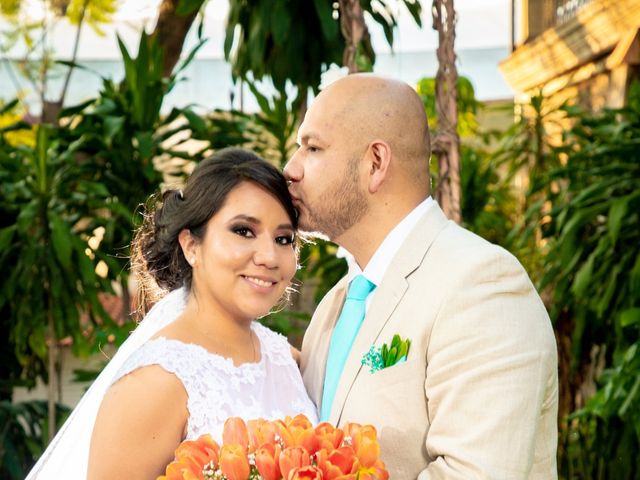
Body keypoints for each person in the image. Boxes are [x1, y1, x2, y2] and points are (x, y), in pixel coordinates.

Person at [284, 74, 559, 479]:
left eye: (313, 148)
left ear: (375, 163)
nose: (291, 169)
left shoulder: (482, 287)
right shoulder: (334, 306)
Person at [27, 148, 318, 479]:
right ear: (191, 245)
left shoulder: (288, 360)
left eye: (284, 239)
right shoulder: (152, 385)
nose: (269, 255)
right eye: (243, 231)